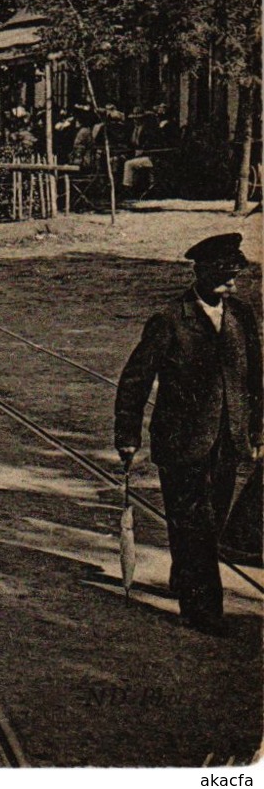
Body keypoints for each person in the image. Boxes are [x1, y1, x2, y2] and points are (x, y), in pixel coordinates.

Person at [115, 233, 261, 637]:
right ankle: (202, 609)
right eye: (222, 277)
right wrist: (127, 434)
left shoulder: (242, 317)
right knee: (194, 523)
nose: (230, 285)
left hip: (229, 442)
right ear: (199, 273)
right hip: (182, 444)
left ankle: (185, 580)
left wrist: (257, 428)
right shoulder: (169, 319)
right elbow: (135, 379)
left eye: (234, 277)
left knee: (208, 523)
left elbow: (255, 378)